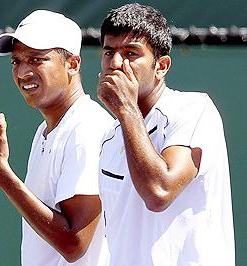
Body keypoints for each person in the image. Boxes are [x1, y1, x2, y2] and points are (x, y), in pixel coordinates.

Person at [0, 10, 113, 266]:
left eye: (36, 59)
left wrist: (0, 173)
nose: (23, 72)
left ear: (72, 64)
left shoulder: (87, 128)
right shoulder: (46, 130)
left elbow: (75, 244)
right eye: (16, 61)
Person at [97, 3, 235, 266]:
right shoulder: (109, 137)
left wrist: (126, 109)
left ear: (161, 67)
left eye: (130, 53)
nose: (115, 64)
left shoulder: (194, 110)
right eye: (109, 52)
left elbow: (159, 191)